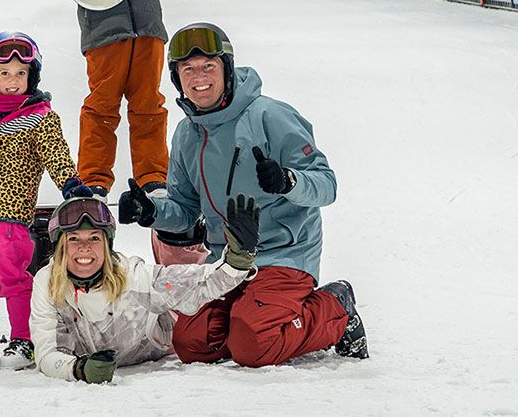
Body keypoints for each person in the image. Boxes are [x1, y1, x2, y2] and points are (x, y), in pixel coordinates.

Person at [118, 22, 369, 367]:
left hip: (283, 254)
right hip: (226, 261)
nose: (199, 76)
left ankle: (336, 307)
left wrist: (288, 181)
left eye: (209, 66)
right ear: (177, 79)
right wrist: (151, 211)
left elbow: (326, 186)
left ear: (227, 69)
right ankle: (248, 317)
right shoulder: (187, 134)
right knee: (191, 343)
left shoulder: (270, 115)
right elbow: (186, 208)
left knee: (254, 346)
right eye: (187, 69)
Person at [52, 0, 211, 264]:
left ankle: (153, 176)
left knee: (149, 105)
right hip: (105, 33)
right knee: (102, 106)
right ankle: (94, 179)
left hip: (148, 28)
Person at [0, 31, 92, 371]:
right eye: (5, 73)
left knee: (12, 277)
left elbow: (56, 154)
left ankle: (23, 340)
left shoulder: (39, 117)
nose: (13, 81)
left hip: (11, 218)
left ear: (32, 76)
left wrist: (70, 183)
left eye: (21, 74)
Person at [29, 193, 260, 383]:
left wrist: (236, 262)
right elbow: (47, 355)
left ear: (107, 244)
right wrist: (78, 369)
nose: (85, 248)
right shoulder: (47, 284)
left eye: (94, 238)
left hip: (158, 342)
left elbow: (196, 282)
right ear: (60, 246)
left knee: (195, 336)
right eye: (73, 239)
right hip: (88, 357)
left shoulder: (132, 276)